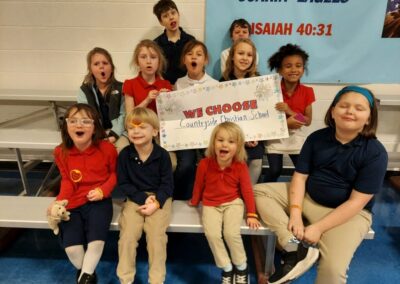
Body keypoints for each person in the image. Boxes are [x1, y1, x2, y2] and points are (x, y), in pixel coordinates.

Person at [254, 86, 388, 284]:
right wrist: (296, 213)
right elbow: (299, 178)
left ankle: (308, 246)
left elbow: (356, 203)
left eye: (359, 108)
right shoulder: (316, 138)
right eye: (344, 106)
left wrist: (317, 228)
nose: (350, 111)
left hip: (349, 214)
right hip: (309, 197)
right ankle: (292, 246)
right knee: (258, 191)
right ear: (332, 111)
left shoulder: (375, 153)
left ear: (369, 118)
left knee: (333, 271)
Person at [47, 103, 117, 284]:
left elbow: (115, 175)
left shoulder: (107, 149)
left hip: (99, 202)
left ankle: (84, 279)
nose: (79, 125)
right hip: (73, 203)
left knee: (96, 243)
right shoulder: (60, 151)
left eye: (86, 121)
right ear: (66, 126)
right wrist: (60, 201)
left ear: (94, 128)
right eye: (73, 121)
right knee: (71, 249)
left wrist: (103, 190)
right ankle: (88, 273)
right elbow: (67, 180)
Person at [189, 122, 261, 284]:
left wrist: (251, 213)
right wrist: (194, 201)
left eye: (231, 142)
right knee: (212, 234)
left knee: (231, 233)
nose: (224, 145)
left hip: (233, 203)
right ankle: (227, 268)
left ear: (238, 146)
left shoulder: (240, 166)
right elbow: (199, 184)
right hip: (210, 204)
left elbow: (247, 191)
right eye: (220, 140)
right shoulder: (204, 164)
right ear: (213, 142)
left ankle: (242, 267)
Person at [116, 107, 174, 284]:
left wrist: (155, 203)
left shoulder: (163, 155)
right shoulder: (125, 155)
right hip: (136, 197)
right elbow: (124, 183)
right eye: (132, 128)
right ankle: (125, 279)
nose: (136, 131)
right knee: (127, 236)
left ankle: (156, 280)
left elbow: (167, 185)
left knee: (156, 237)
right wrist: (141, 198)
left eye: (142, 127)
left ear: (155, 131)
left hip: (159, 197)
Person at [173, 40, 218, 200]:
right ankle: (179, 197)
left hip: (208, 136)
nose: (194, 57)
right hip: (186, 136)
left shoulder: (215, 85)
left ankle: (210, 196)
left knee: (211, 162)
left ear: (205, 60)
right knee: (186, 165)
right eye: (190, 54)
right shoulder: (178, 84)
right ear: (184, 60)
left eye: (199, 55)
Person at [264, 44, 315, 182]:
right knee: (275, 170)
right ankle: (262, 191)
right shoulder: (269, 90)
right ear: (280, 71)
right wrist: (286, 123)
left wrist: (289, 111)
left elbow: (307, 121)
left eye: (298, 65)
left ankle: (299, 193)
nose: (294, 69)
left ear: (303, 69)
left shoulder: (307, 91)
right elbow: (265, 120)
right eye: (288, 66)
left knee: (303, 170)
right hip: (276, 136)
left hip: (295, 136)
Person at [220, 38, 264, 185]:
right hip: (232, 136)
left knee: (256, 161)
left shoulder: (260, 82)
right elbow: (222, 118)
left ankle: (248, 197)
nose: (245, 58)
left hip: (254, 137)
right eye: (241, 53)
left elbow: (263, 113)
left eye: (249, 55)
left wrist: (254, 135)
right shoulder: (222, 83)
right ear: (232, 56)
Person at [78, 47, 129, 152]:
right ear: (91, 69)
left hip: (118, 132)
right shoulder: (84, 90)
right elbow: (85, 117)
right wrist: (98, 136)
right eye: (96, 64)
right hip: (94, 132)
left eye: (105, 63)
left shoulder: (122, 87)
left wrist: (113, 135)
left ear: (112, 68)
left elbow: (124, 115)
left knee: (123, 149)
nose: (101, 67)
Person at [123, 39, 172, 115]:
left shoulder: (166, 85)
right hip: (139, 126)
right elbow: (129, 117)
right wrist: (147, 100)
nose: (148, 61)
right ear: (137, 61)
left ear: (159, 62)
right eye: (143, 57)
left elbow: (172, 115)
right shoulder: (129, 84)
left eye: (153, 57)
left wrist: (166, 100)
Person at [153, 0, 195, 85]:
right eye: (165, 16)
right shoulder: (156, 44)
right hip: (165, 89)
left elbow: (195, 65)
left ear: (178, 14)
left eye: (173, 13)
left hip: (187, 87)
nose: (171, 17)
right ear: (161, 22)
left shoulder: (190, 40)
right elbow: (155, 70)